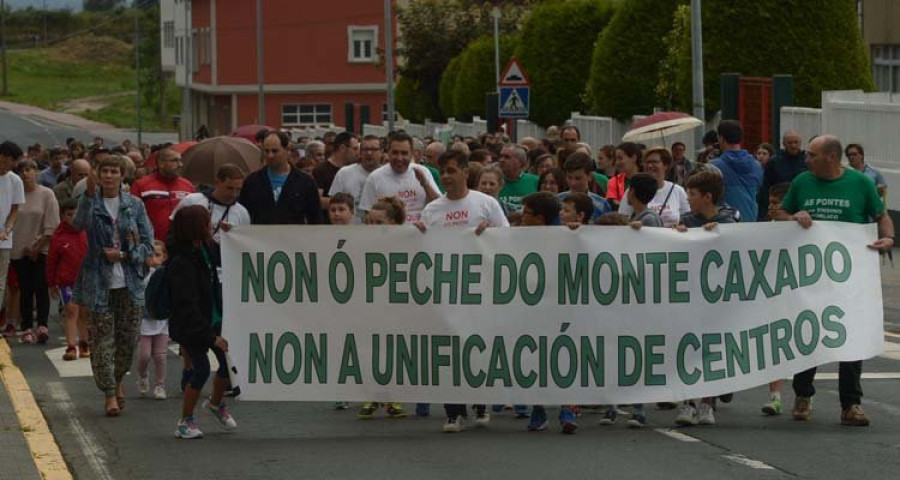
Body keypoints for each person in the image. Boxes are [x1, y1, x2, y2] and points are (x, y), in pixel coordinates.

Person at [776, 134, 895, 427]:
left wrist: (889, 237)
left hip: (850, 278)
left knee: (850, 335)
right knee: (809, 332)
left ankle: (851, 404)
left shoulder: (861, 183)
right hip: (810, 277)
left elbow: (881, 215)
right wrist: (793, 217)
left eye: (812, 155)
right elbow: (779, 212)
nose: (806, 160)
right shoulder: (803, 182)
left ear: (830, 157)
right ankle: (803, 394)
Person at [415, 150, 510, 433]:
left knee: (478, 346)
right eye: (442, 171)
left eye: (452, 170)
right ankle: (453, 411)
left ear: (465, 173)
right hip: (446, 290)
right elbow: (422, 248)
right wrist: (415, 233)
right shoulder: (432, 210)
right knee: (449, 349)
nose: (446, 176)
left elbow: (507, 237)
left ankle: (480, 401)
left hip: (480, 289)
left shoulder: (486, 203)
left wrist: (490, 232)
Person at [74, 154, 155, 417]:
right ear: (96, 174)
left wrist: (124, 255)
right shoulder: (90, 202)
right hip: (99, 282)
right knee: (101, 341)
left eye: (114, 171)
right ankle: (109, 392)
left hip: (130, 282)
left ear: (122, 176)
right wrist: (87, 196)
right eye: (104, 171)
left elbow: (148, 244)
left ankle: (119, 379)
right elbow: (78, 225)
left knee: (127, 339)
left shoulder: (135, 205)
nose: (108, 176)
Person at [669, 171, 737, 427]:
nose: (688, 199)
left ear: (707, 197)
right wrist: (678, 233)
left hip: (716, 295)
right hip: (689, 292)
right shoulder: (687, 219)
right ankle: (687, 402)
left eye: (692, 194)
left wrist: (720, 232)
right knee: (687, 347)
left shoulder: (728, 218)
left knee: (711, 348)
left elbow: (738, 241)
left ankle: (707, 402)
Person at [168, 205, 236, 439]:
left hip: (213, 318)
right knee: (201, 370)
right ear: (196, 228)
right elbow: (188, 306)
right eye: (207, 223)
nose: (211, 226)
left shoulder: (205, 248)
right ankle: (185, 421)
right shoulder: (181, 262)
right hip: (192, 326)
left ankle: (216, 404)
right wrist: (211, 337)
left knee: (228, 365)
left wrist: (230, 235)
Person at [11, 160, 60, 344]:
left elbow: (52, 224)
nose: (25, 173)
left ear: (36, 172)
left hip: (42, 248)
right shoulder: (15, 195)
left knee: (41, 286)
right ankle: (26, 328)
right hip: (19, 248)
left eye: (29, 169)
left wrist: (37, 247)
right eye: (21, 170)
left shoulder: (47, 194)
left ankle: (42, 325)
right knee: (25, 289)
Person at [240, 131, 322, 225]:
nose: (270, 155)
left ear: (286, 150)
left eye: (275, 151)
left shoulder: (305, 182)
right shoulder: (252, 181)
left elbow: (315, 218)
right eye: (267, 151)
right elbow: (243, 215)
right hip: (260, 237)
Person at [358, 132, 440, 224]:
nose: (399, 158)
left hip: (419, 234)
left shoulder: (423, 172)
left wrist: (425, 185)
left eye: (404, 153)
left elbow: (439, 206)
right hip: (389, 236)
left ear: (411, 154)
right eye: (395, 153)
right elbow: (367, 214)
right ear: (388, 152)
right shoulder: (375, 177)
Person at [760, 182, 791, 416]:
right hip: (770, 295)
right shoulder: (764, 228)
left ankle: (804, 395)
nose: (770, 208)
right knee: (774, 346)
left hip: (794, 295)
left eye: (775, 203)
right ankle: (775, 396)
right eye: (769, 203)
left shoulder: (800, 228)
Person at [47, 198, 89, 360]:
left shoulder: (87, 233)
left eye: (76, 214)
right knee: (71, 311)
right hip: (68, 281)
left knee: (85, 313)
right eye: (69, 215)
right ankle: (71, 346)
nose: (73, 218)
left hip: (86, 280)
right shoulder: (58, 237)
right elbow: (51, 262)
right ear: (63, 216)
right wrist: (52, 283)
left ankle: (84, 342)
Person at [130, 148, 195, 242]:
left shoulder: (188, 186)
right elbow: (132, 216)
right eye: (174, 161)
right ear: (161, 163)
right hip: (152, 245)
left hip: (182, 246)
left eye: (180, 161)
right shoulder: (141, 185)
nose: (180, 165)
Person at [618, 147, 690, 228]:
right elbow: (622, 220)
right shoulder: (633, 190)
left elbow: (688, 219)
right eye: (647, 162)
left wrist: (681, 226)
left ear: (665, 165)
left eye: (654, 162)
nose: (650, 165)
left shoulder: (678, 190)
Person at [711, 120, 763, 222]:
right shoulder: (757, 166)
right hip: (750, 224)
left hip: (724, 224)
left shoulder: (713, 167)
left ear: (721, 138)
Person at [137, 241, 169, 400]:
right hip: (145, 320)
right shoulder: (143, 274)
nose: (154, 258)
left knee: (160, 355)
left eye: (158, 255)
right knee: (144, 355)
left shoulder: (166, 274)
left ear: (165, 257)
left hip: (161, 320)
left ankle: (160, 385)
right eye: (151, 255)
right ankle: (143, 376)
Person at [0, 142, 25, 337]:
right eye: (13, 160)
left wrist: (8, 228)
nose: (14, 165)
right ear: (5, 156)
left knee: (1, 283)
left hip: (3, 239)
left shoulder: (15, 180)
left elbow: (15, 209)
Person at [329, 135, 383, 223]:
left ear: (381, 152)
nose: (369, 153)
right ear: (360, 152)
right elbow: (333, 203)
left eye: (373, 149)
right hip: (350, 231)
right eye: (365, 149)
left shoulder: (386, 175)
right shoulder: (344, 173)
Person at [759, 130, 807, 221]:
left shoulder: (807, 161)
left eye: (796, 142)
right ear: (784, 144)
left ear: (800, 143)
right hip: (780, 206)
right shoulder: (774, 162)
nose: (793, 145)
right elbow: (766, 187)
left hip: (801, 204)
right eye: (790, 143)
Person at [557, 152, 611, 223]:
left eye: (578, 178)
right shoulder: (557, 202)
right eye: (569, 177)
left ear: (590, 176)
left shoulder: (602, 205)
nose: (573, 183)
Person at [313, 132, 359, 213]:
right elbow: (317, 200)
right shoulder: (321, 170)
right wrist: (345, 203)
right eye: (354, 149)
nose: (358, 153)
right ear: (342, 148)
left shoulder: (354, 169)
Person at [497, 144, 539, 212]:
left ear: (520, 162)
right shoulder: (494, 182)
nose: (502, 160)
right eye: (500, 156)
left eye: (507, 157)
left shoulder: (535, 181)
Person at [606, 142, 641, 209]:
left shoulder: (647, 180)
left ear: (634, 158)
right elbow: (611, 205)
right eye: (616, 159)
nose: (617, 162)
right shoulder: (614, 181)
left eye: (620, 158)